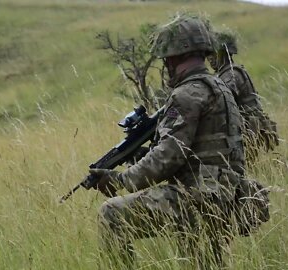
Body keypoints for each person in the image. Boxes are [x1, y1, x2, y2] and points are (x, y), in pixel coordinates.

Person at [88, 15, 248, 268]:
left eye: (166, 60)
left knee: (112, 214)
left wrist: (122, 180)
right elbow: (199, 150)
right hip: (226, 197)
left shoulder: (186, 94)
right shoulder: (220, 88)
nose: (165, 66)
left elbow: (170, 155)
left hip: (197, 198)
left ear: (174, 58)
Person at [207, 31, 278, 161]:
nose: (210, 58)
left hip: (248, 131)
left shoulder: (231, 73)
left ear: (225, 53)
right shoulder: (227, 72)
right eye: (208, 54)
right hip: (248, 129)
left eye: (213, 53)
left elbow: (223, 99)